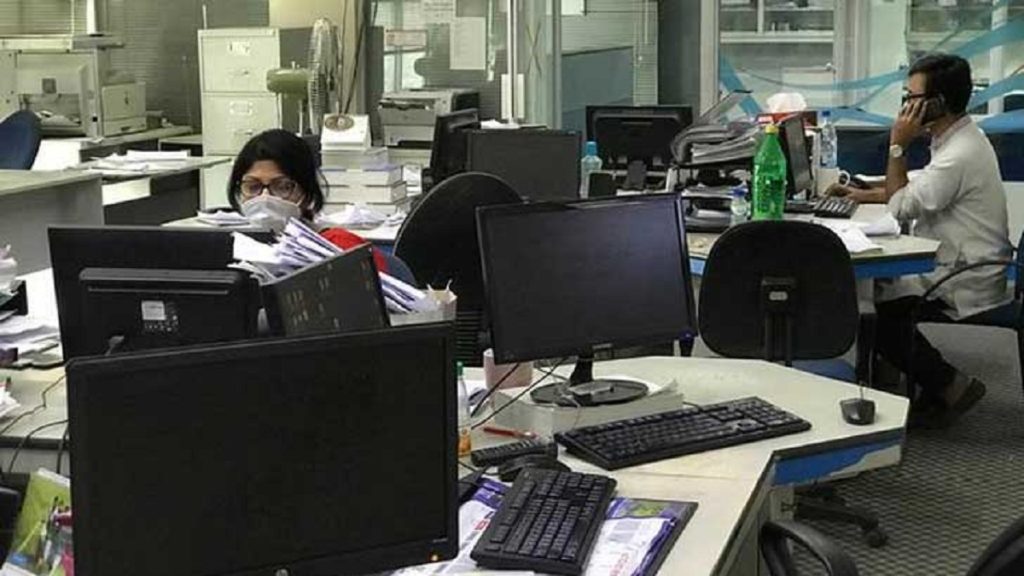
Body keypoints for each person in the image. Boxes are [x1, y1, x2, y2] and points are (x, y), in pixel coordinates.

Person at [830, 53, 1012, 427]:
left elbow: (902, 206)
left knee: (874, 313)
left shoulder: (959, 153)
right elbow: (921, 185)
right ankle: (902, 377)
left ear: (938, 103)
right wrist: (863, 194)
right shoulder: (960, 137)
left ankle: (951, 385)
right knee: (881, 292)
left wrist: (897, 145)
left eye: (912, 98)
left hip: (964, 277)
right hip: (963, 261)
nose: (905, 108)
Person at [227, 129, 389, 273]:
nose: (265, 197)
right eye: (252, 186)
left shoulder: (341, 246)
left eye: (282, 187)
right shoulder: (230, 247)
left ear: (306, 192)